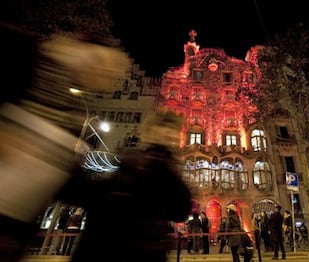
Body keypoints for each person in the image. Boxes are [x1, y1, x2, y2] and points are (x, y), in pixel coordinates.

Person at [0, 22, 130, 262]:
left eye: (114, 73)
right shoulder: (25, 56)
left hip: (11, 229)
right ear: (84, 49)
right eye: (105, 64)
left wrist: (119, 189)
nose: (109, 75)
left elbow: (64, 174)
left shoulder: (73, 109)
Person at [56, 110, 193, 262]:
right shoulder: (137, 165)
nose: (169, 133)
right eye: (165, 127)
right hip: (118, 247)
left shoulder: (159, 169)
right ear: (151, 131)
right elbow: (91, 195)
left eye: (173, 130)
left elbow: (180, 209)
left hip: (135, 249)